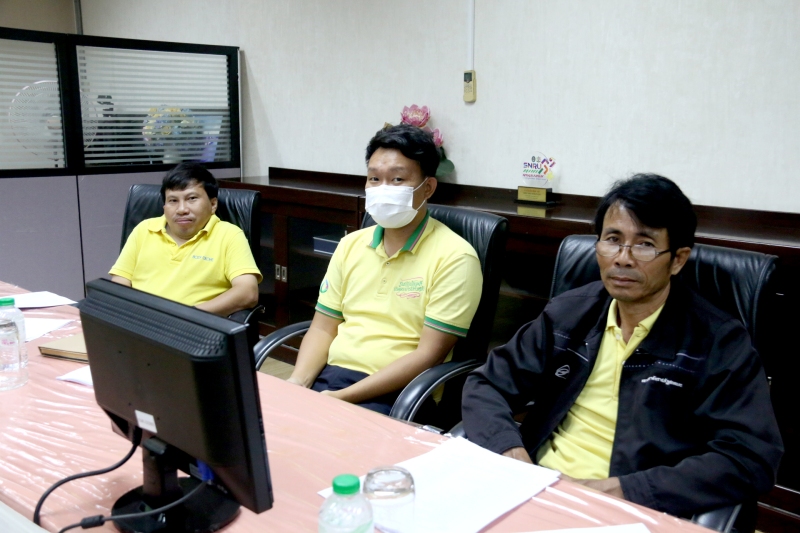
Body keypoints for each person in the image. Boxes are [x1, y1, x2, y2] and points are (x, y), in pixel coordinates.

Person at [462, 174, 783, 518]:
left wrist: (622, 490)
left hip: (632, 509)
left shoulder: (718, 341)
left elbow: (751, 456)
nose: (623, 258)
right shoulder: (569, 314)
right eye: (613, 240)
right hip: (535, 490)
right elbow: (486, 385)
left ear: (678, 259)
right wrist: (513, 457)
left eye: (644, 244)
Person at [287, 124, 483, 414]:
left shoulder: (455, 258)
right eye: (374, 178)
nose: (383, 189)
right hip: (332, 377)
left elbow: (428, 355)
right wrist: (298, 382)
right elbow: (323, 328)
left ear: (428, 188)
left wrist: (342, 398)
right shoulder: (351, 245)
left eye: (397, 179)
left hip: (400, 393)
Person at [110, 162, 262, 316]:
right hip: (139, 321)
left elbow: (247, 293)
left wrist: (188, 316)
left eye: (192, 198)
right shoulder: (144, 229)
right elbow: (120, 282)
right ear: (164, 206)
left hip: (194, 325)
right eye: (173, 201)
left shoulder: (229, 235)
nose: (182, 209)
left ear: (213, 204)